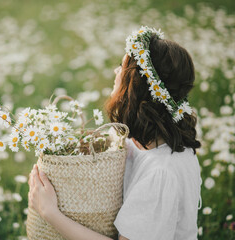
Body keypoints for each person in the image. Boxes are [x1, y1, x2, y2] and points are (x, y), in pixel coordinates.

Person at [28, 26, 202, 240]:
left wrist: (50, 213)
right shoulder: (150, 143)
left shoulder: (160, 173)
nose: (115, 72)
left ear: (135, 87)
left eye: (122, 67)